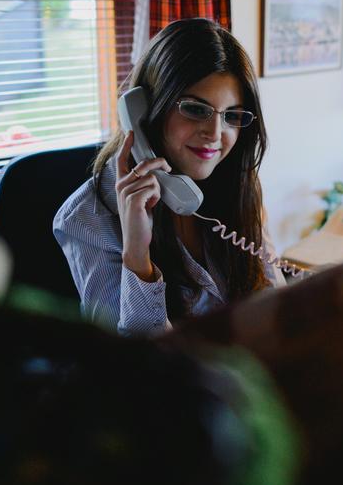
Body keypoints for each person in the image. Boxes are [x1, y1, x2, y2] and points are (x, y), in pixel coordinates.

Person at [54, 18, 283, 336]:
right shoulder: (86, 218)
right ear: (146, 109)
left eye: (231, 115)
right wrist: (137, 254)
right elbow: (132, 365)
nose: (215, 134)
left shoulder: (238, 183)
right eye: (195, 109)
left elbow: (271, 303)